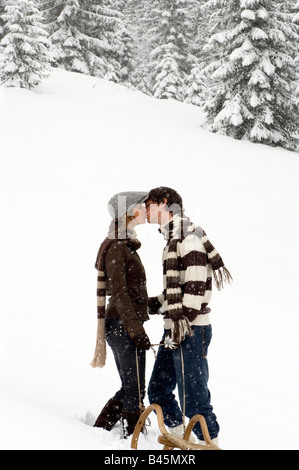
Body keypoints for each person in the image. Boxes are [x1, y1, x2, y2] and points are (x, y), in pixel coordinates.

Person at [145, 187, 232, 445]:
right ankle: (177, 438)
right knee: (158, 390)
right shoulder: (173, 241)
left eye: (149, 204)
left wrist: (182, 326)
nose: (147, 210)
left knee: (193, 399)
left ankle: (209, 443)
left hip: (191, 330)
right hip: (176, 328)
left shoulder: (189, 239)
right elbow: (174, 295)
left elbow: (194, 291)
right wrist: (146, 305)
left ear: (164, 203)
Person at [91, 191, 151, 438]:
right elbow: (119, 295)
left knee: (134, 388)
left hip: (124, 324)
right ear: (131, 212)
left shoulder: (124, 243)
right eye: (143, 207)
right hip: (121, 327)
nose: (147, 211)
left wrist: (157, 305)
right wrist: (136, 330)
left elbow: (131, 294)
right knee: (134, 389)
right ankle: (132, 438)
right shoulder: (117, 247)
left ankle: (103, 429)